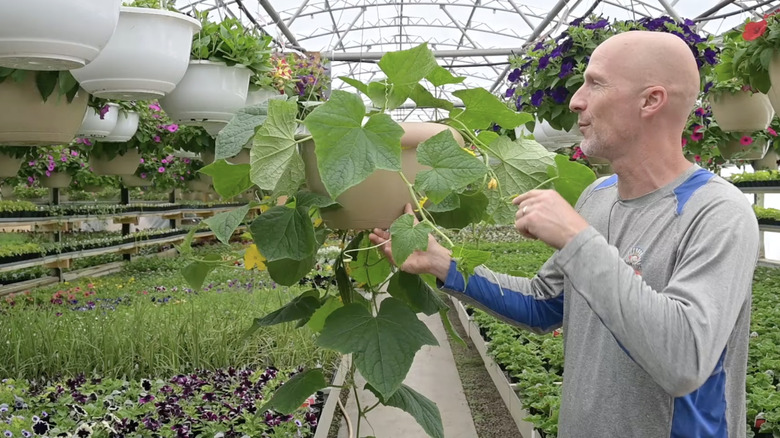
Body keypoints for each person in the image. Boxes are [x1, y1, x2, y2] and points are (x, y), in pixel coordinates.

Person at [369, 31, 759, 437]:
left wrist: (578, 240)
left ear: (651, 100)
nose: (576, 100)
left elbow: (686, 361)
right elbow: (542, 303)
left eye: (596, 83)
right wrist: (439, 262)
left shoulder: (716, 212)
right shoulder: (598, 197)